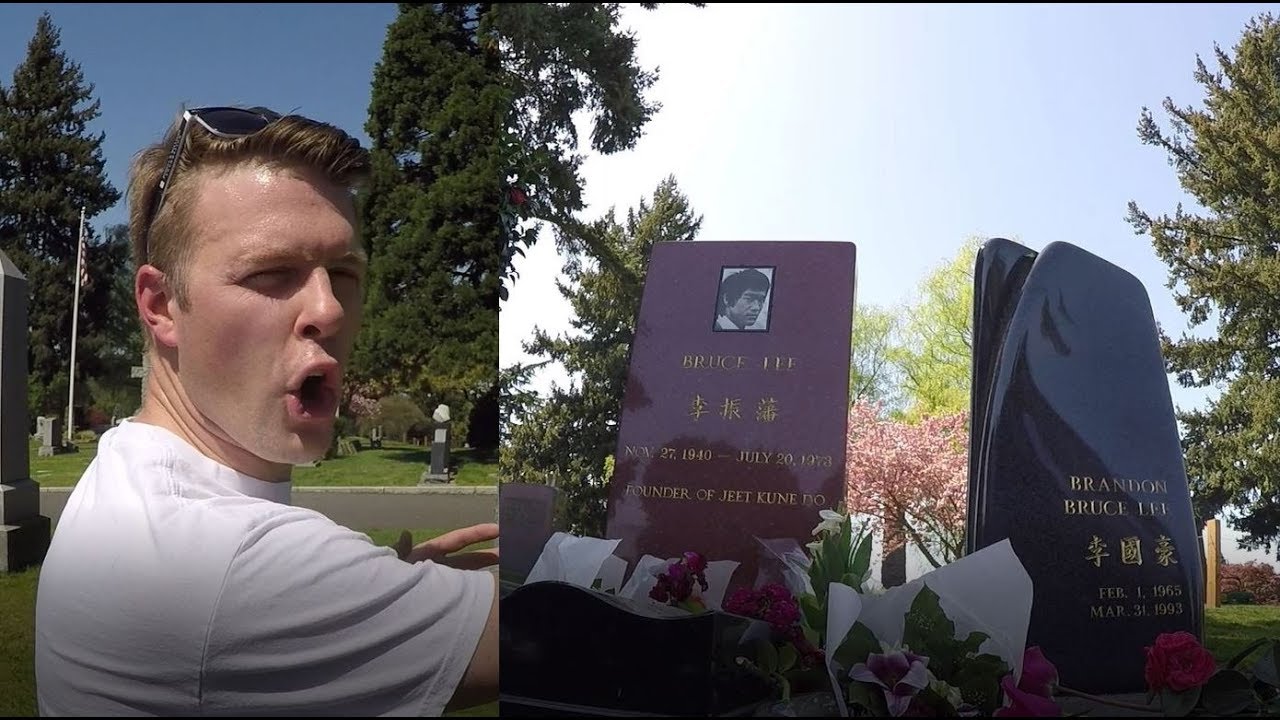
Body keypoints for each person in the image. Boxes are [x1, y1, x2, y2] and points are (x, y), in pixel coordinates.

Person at [34, 106, 498, 716]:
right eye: (272, 273)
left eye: (343, 271)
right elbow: (567, 636)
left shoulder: (128, 471)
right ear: (161, 305)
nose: (329, 310)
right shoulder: (226, 564)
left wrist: (368, 597)